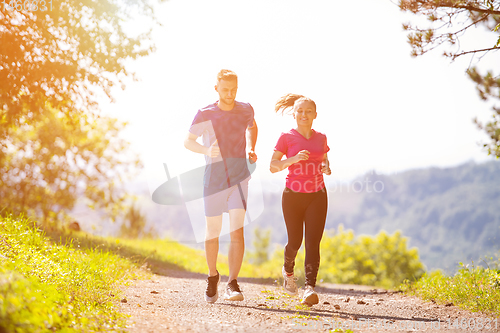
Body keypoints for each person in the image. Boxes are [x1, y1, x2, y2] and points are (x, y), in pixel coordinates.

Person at [184, 69, 258, 303]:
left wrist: (251, 147)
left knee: (237, 230)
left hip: (239, 177)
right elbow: (188, 141)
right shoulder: (205, 113)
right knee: (213, 232)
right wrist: (207, 151)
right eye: (225, 89)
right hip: (214, 180)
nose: (230, 94)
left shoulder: (246, 108)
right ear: (216, 88)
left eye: (233, 89)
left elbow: (252, 127)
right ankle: (212, 275)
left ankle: (233, 283)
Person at [269, 93, 330, 306]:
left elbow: (324, 160)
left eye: (308, 111)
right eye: (300, 111)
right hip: (293, 196)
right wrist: (293, 159)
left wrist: (326, 167)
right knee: (295, 242)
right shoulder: (286, 137)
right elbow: (273, 166)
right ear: (294, 114)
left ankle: (309, 288)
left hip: (317, 195)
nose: (304, 114)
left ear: (315, 115)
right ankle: (288, 272)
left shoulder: (321, 138)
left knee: (313, 243)